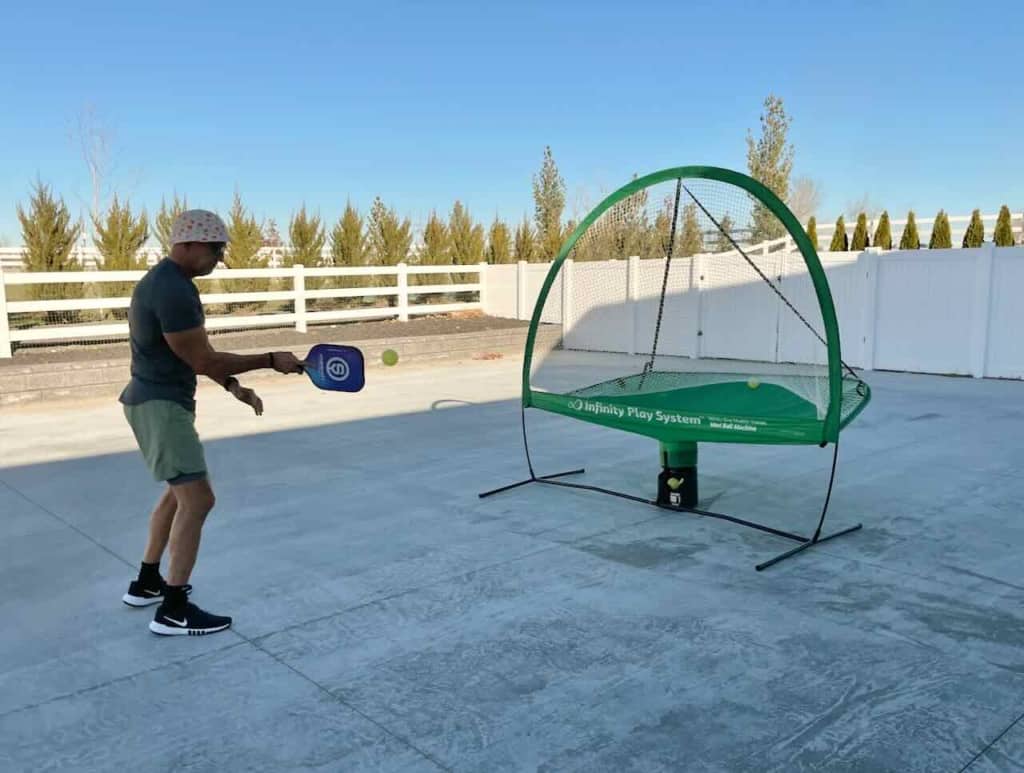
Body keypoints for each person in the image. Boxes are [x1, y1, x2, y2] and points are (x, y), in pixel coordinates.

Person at [119, 209, 303, 636]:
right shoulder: (172, 290)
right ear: (187, 244)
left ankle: (147, 582)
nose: (219, 258)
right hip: (160, 407)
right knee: (198, 500)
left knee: (177, 495)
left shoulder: (167, 283)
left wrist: (235, 387)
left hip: (156, 403)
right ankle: (173, 610)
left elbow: (194, 355)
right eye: (215, 249)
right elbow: (203, 359)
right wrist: (271, 359)